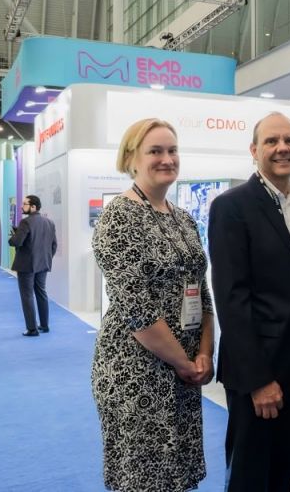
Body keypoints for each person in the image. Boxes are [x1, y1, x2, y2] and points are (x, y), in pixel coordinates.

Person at [91, 118, 215, 492]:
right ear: (131, 158)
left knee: (176, 475)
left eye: (172, 150)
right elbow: (137, 309)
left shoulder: (183, 219)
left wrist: (205, 353)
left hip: (184, 368)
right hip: (136, 370)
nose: (167, 159)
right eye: (155, 151)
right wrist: (184, 363)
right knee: (143, 480)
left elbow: (202, 292)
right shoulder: (118, 216)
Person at [209, 112, 290, 492]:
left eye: (289, 140)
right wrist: (259, 380)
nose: (282, 148)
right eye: (271, 141)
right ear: (254, 151)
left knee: (284, 475)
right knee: (250, 477)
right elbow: (231, 298)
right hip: (257, 372)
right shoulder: (232, 207)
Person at [9, 195, 57, 336]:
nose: (22, 206)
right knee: (41, 293)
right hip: (43, 264)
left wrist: (13, 236)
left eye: (25, 204)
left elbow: (16, 242)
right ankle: (44, 325)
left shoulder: (25, 222)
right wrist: (46, 258)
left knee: (27, 296)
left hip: (26, 265)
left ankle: (32, 329)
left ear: (33, 207)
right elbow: (54, 245)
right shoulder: (50, 222)